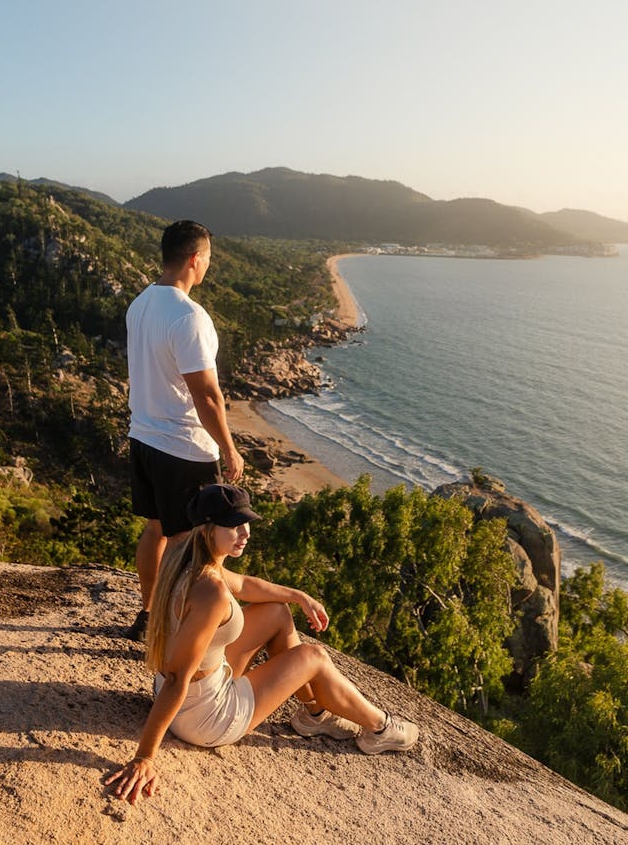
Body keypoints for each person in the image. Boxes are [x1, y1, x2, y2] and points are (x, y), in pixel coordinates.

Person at [103, 484, 419, 805]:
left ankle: (315, 714)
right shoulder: (209, 591)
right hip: (206, 717)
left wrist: (299, 596)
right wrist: (145, 757)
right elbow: (176, 678)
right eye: (235, 526)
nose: (246, 533)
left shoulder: (187, 555)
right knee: (313, 655)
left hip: (197, 692)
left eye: (247, 523)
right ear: (209, 529)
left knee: (276, 611)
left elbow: (244, 585)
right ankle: (380, 729)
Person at [125, 220, 244, 641]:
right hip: (183, 448)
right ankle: (173, 630)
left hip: (142, 436)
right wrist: (229, 449)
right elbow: (207, 395)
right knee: (191, 543)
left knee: (156, 529)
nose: (208, 266)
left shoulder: (139, 304)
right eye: (208, 259)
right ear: (196, 259)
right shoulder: (189, 317)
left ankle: (147, 615)